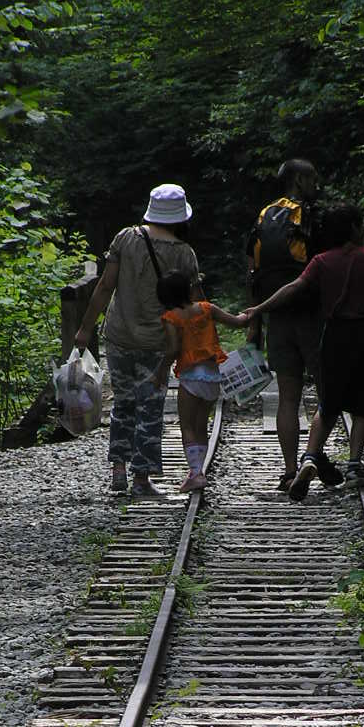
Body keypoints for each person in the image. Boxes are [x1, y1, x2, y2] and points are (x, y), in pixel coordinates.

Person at [247, 202, 364, 502]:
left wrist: (260, 308)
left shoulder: (320, 260)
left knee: (328, 403)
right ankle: (355, 466)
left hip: (332, 336)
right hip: (363, 334)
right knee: (360, 407)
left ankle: (309, 457)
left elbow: (293, 287)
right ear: (354, 228)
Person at [75, 183, 200, 498]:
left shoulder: (126, 238)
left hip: (119, 335)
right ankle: (141, 479)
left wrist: (85, 328)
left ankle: (118, 467)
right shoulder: (184, 254)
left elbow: (104, 286)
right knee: (150, 408)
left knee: (123, 402)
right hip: (158, 342)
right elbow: (194, 304)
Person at [246, 159, 343, 492]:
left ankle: (289, 471)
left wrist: (255, 322)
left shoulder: (263, 217)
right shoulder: (315, 217)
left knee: (288, 397)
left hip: (277, 316)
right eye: (312, 178)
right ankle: (312, 456)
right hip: (314, 318)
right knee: (330, 394)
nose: (316, 184)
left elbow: (253, 272)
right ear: (299, 180)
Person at [155, 270, 248, 492]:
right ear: (187, 290)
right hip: (212, 376)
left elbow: (173, 349)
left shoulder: (171, 318)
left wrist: (160, 371)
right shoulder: (207, 308)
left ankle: (196, 473)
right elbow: (237, 322)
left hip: (189, 377)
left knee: (187, 425)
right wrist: (250, 314)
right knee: (201, 426)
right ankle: (198, 470)